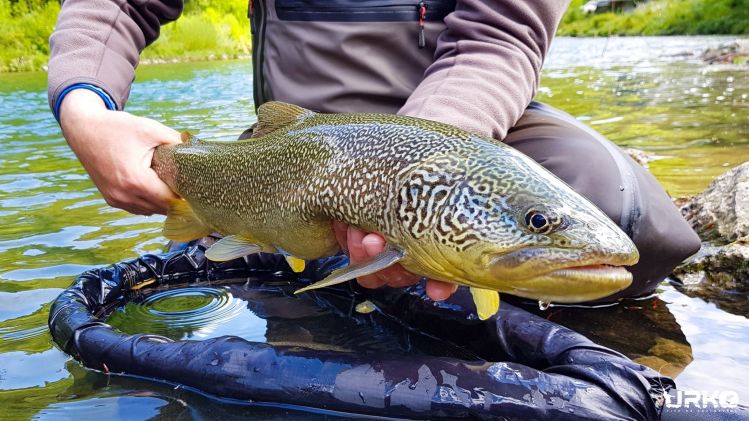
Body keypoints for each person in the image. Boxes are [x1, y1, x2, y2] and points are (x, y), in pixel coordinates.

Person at [48, 0, 700, 304]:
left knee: (637, 225)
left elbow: (501, 35)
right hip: (295, 137)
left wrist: (406, 175)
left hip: (470, 122)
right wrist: (85, 108)